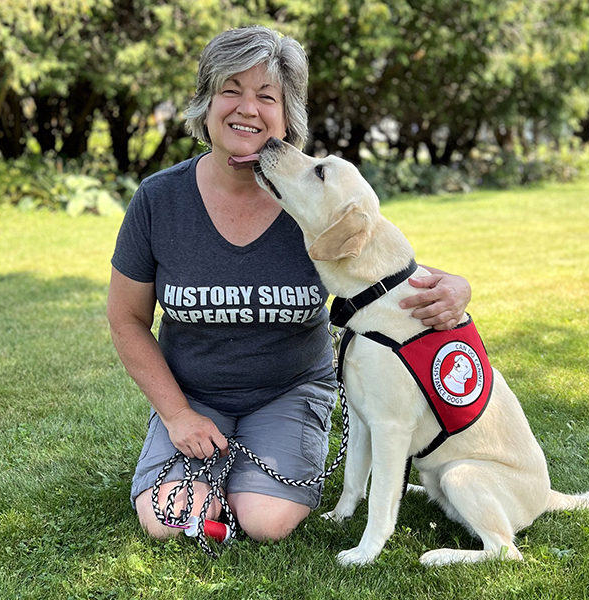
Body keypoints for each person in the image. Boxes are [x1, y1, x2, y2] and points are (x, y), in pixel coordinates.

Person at [107, 25, 471, 543]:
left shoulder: (311, 199)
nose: (247, 108)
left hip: (289, 391)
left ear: (286, 115)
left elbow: (382, 268)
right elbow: (125, 320)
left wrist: (455, 286)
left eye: (266, 96)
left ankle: (252, 465)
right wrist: (178, 414)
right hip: (194, 393)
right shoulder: (158, 201)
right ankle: (201, 452)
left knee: (265, 522)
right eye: (230, 90)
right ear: (206, 105)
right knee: (168, 522)